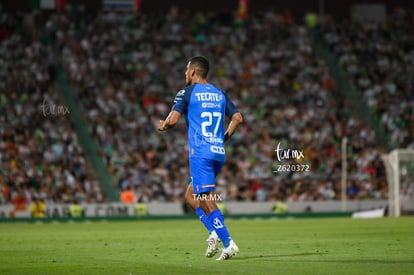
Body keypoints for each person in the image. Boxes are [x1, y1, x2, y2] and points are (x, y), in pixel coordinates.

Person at [158, 55, 243, 261]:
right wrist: (223, 139)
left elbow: (173, 120)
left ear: (193, 72)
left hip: (201, 153)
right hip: (217, 153)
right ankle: (213, 231)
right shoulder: (220, 94)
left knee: (206, 197)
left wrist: (164, 126)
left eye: (186, 70)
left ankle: (228, 242)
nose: (185, 74)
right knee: (190, 196)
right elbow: (238, 118)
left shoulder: (186, 93)